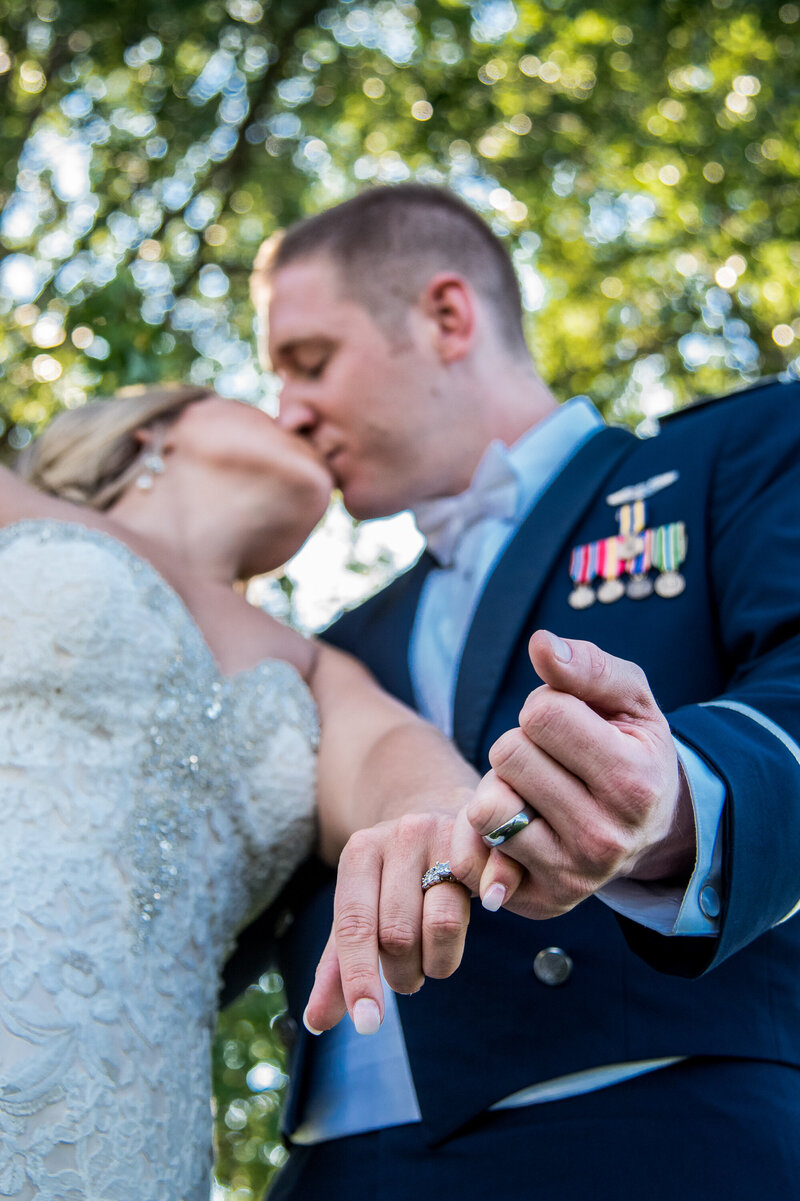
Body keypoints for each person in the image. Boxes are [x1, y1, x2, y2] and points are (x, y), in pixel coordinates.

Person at [240, 184, 800, 1200]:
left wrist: (675, 801)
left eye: (309, 362)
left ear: (446, 316)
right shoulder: (331, 643)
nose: (287, 411)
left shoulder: (733, 454)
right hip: (328, 1174)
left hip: (652, 1135)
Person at [0, 383, 484, 1200]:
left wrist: (438, 821)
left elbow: (399, 765)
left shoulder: (316, 667)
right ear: (152, 431)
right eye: (265, 396)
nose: (301, 415)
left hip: (130, 1134)